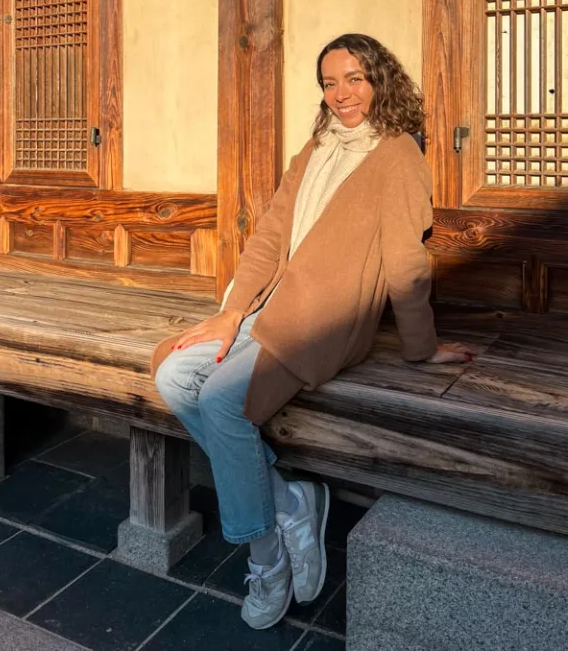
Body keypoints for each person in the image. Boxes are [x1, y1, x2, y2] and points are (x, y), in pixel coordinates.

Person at [151, 33, 473, 630]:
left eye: (355, 79)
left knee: (221, 402)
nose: (342, 93)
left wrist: (421, 347)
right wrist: (231, 312)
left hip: (322, 321)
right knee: (173, 375)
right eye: (330, 82)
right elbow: (271, 234)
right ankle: (290, 501)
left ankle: (266, 557)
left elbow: (406, 260)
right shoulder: (317, 146)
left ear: (380, 81)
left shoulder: (398, 154)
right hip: (267, 308)